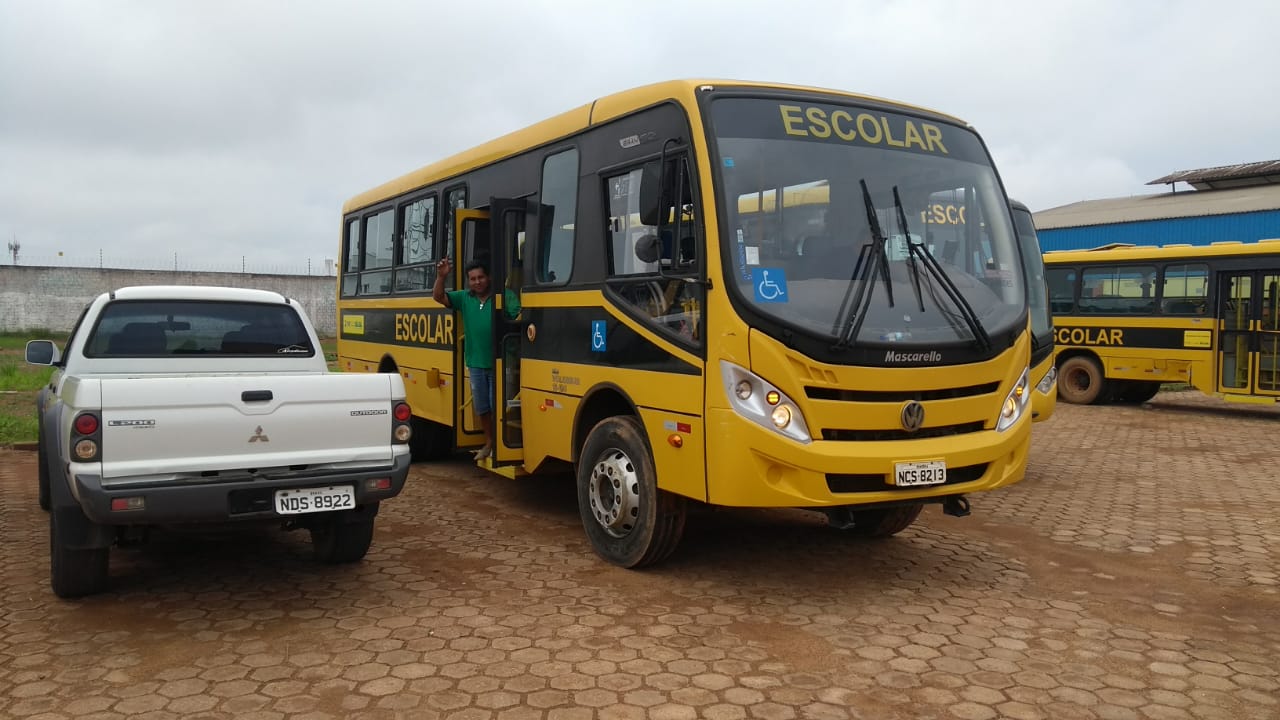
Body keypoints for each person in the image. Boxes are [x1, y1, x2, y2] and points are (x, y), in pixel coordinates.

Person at [432, 257, 520, 460]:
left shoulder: (505, 296)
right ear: (468, 281)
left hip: (501, 362)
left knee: (499, 405)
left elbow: (518, 316)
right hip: (475, 364)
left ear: (488, 277)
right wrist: (441, 276)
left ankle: (502, 444)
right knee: (482, 407)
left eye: (480, 277)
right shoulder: (464, 297)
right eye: (472, 279)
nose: (477, 282)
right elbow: (438, 297)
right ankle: (490, 442)